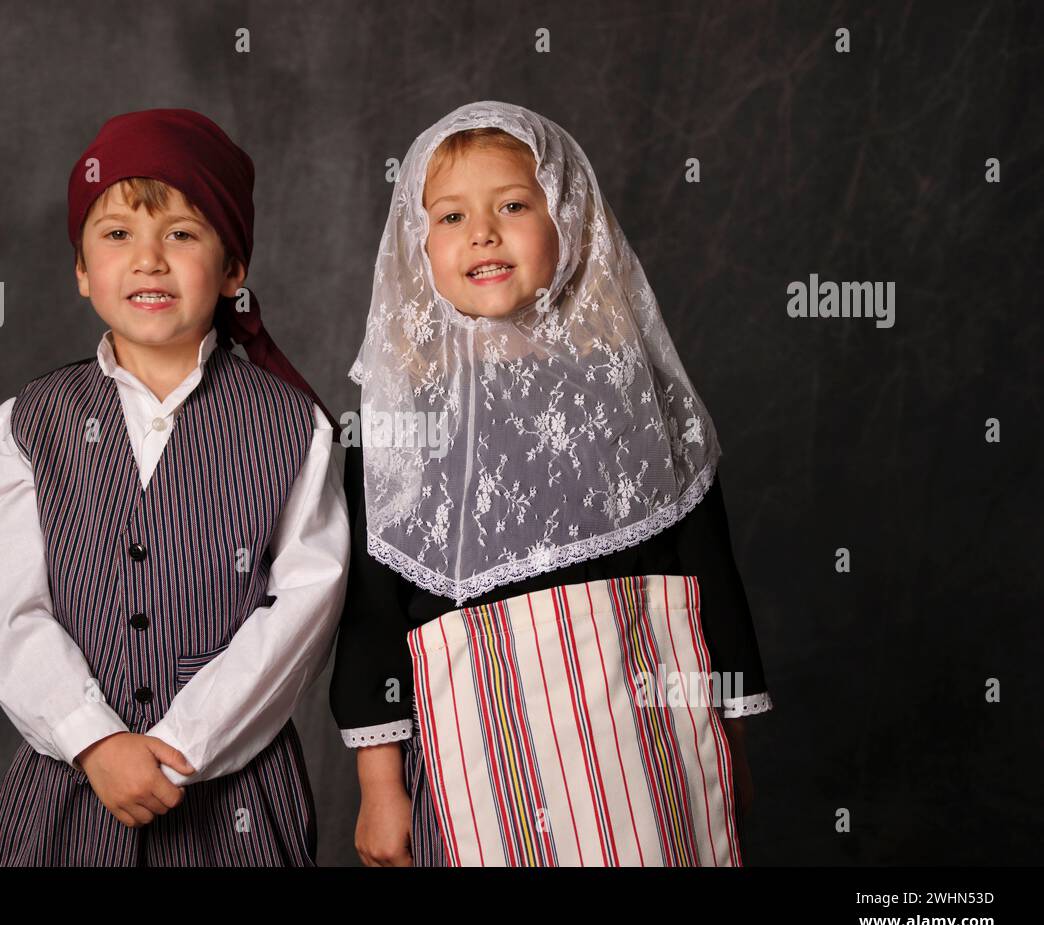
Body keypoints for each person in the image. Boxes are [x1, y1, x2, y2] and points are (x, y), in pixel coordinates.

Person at [329, 101, 773, 867]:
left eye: (513, 205)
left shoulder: (637, 403)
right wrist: (379, 787)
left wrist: (729, 741)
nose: (483, 233)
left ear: (569, 222)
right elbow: (371, 615)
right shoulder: (394, 429)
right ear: (418, 249)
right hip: (476, 767)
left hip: (648, 758)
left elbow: (711, 582)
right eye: (450, 216)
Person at [0, 108, 348, 866]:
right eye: (117, 235)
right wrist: (93, 738)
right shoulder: (24, 426)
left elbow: (305, 605)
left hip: (233, 803)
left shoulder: (294, 426)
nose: (149, 260)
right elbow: (6, 608)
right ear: (80, 270)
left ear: (233, 269)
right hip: (70, 791)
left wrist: (179, 744)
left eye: (182, 234)